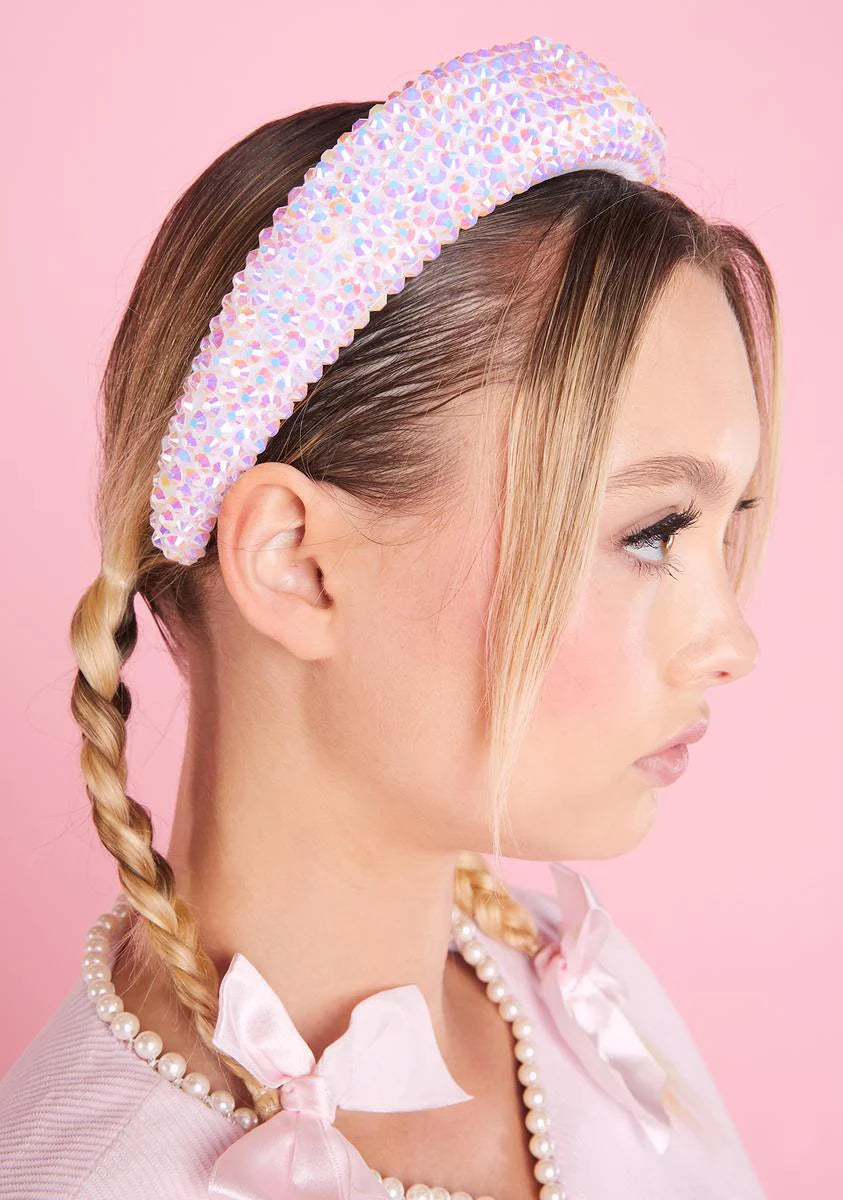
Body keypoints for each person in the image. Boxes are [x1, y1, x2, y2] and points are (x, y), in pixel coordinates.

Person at [0, 33, 778, 1200]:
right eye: (653, 531)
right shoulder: (98, 1174)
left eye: (728, 529)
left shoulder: (586, 1009)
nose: (733, 643)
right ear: (300, 563)